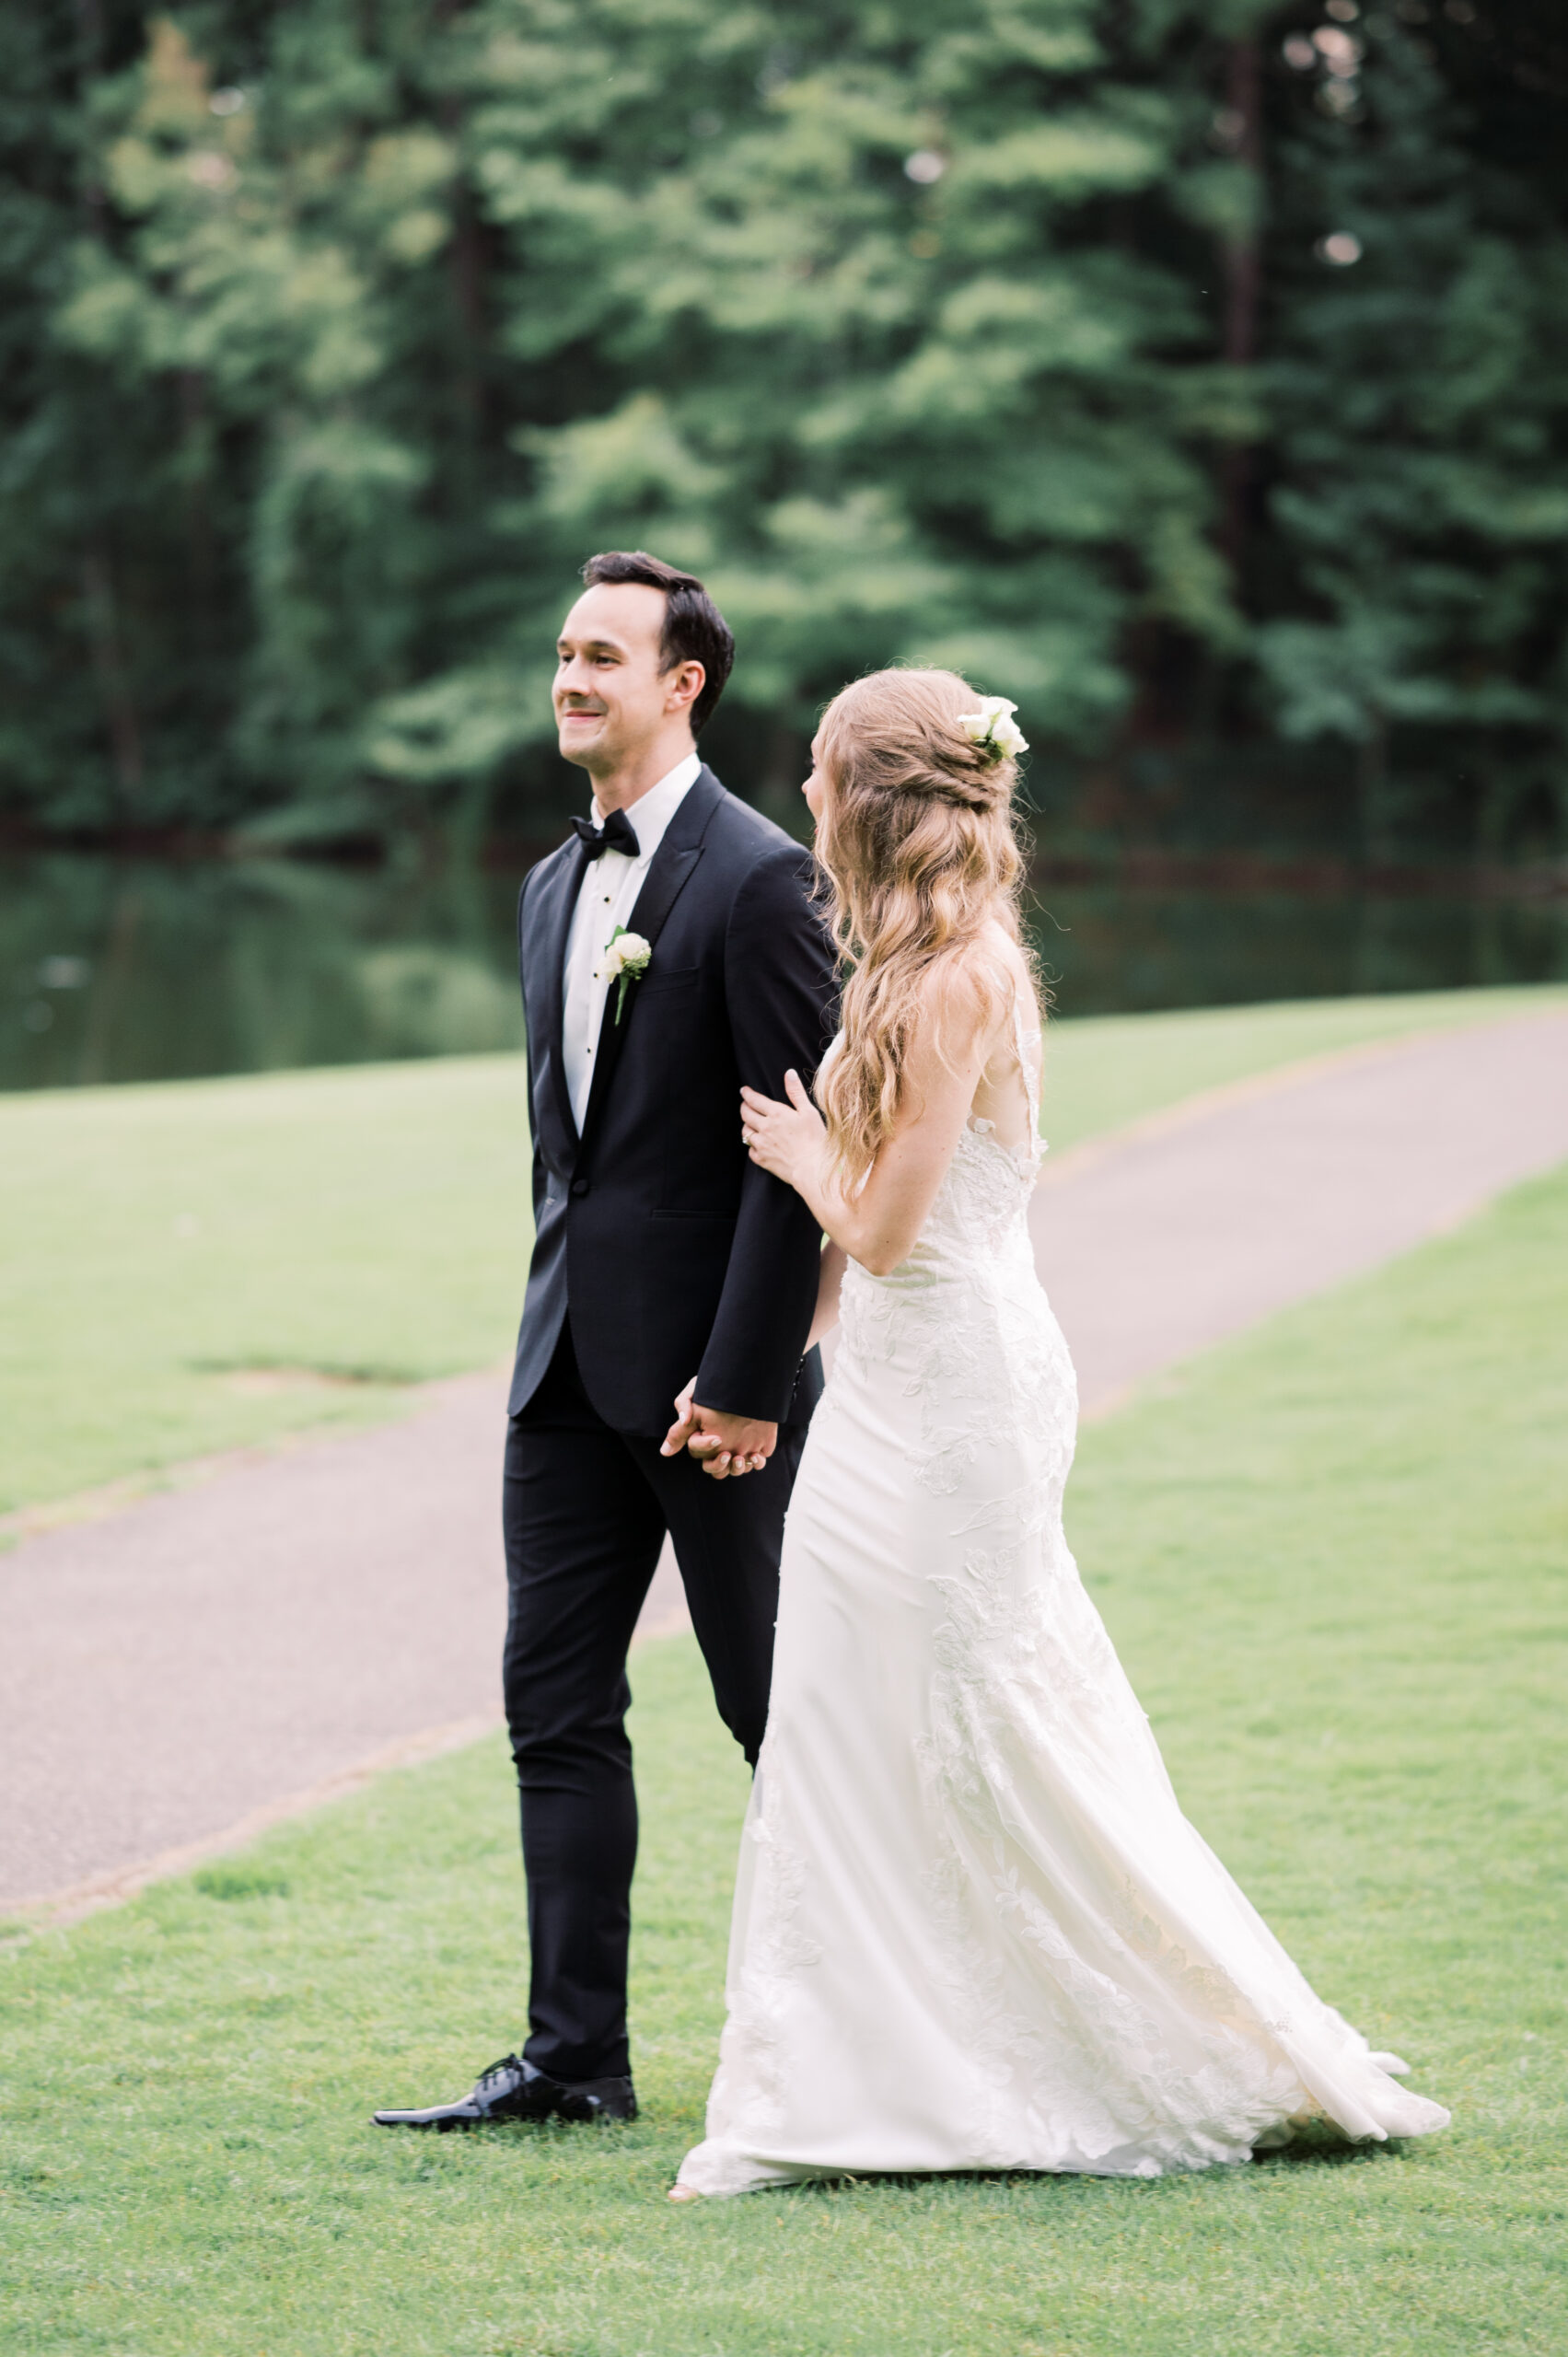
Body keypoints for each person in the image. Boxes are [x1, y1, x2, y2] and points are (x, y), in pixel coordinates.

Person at [670, 667, 1450, 2197]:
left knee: (982, 1717)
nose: (807, 793)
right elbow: (862, 1270)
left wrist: (802, 1150)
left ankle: (1139, 2044)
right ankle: (832, 2075)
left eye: (823, 771)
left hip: (960, 1395)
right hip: (890, 1388)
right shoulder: (896, 962)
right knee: (846, 1712)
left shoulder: (961, 972)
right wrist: (754, 1374)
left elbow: (888, 1229)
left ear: (873, 797)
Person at [374, 552, 836, 2133]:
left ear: (681, 684)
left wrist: (751, 1381)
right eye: (562, 654)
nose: (569, 681)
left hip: (722, 1394)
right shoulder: (549, 886)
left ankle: (856, 2046)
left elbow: (801, 1150)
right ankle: (575, 2060)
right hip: (562, 1376)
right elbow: (568, 1155)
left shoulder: (766, 876)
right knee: (553, 1710)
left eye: (601, 658)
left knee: (781, 1715)